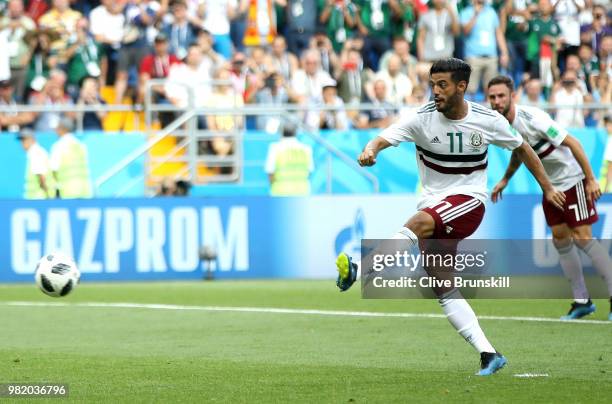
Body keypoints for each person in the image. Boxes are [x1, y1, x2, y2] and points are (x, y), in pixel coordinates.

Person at [336, 58, 565, 375]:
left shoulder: (486, 119)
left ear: (461, 86)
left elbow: (523, 147)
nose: (435, 91)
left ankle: (361, 268)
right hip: (433, 203)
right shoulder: (421, 118)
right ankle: (489, 354)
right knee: (441, 285)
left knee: (418, 223)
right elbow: (383, 138)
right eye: (432, 85)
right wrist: (372, 149)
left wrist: (547, 187)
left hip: (469, 201)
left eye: (442, 85)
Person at [488, 75, 612, 320]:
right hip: (551, 188)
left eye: (501, 95)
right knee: (560, 240)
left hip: (572, 180)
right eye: (492, 97)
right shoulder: (503, 125)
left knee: (584, 238)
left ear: (512, 96)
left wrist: (590, 178)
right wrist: (505, 179)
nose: (496, 101)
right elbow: (521, 153)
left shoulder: (534, 117)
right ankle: (581, 301)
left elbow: (574, 143)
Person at [265, 121, 314, 196]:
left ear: (281, 132)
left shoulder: (275, 148)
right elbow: (310, 171)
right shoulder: (306, 149)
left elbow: (270, 171)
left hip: (280, 193)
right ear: (295, 133)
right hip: (303, 193)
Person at [49, 117, 93, 198]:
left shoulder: (58, 146)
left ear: (62, 129)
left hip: (67, 192)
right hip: (85, 191)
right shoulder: (81, 145)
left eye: (57, 128)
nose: (56, 131)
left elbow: (54, 169)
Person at [18, 128, 55, 199]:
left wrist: (48, 196)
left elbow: (41, 176)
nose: (22, 143)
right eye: (21, 141)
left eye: (24, 140)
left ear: (32, 140)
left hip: (38, 198)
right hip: (37, 197)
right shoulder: (36, 152)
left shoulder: (35, 153)